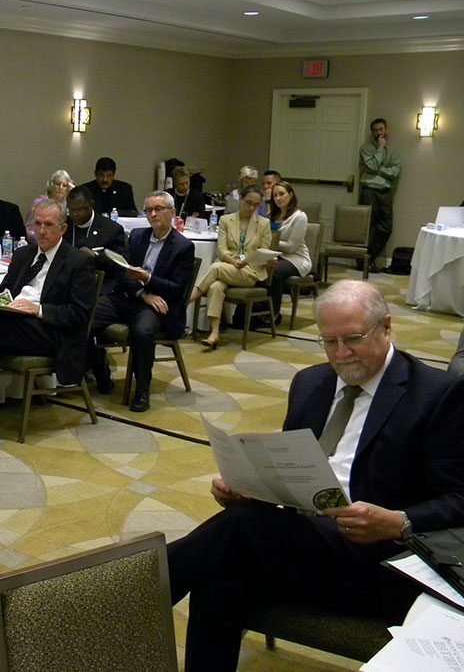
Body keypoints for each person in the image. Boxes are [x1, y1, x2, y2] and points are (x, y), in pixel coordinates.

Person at [168, 280, 464, 671]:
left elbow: (458, 498)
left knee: (241, 528)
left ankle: (124, 594)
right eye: (329, 341)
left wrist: (399, 522)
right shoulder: (310, 383)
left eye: (353, 339)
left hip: (382, 559)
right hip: (303, 543)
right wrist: (251, 487)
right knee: (222, 575)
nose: (341, 354)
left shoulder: (437, 394)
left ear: (387, 327)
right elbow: (291, 470)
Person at [0, 199, 94, 456]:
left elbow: (80, 315)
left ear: (63, 229)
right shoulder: (24, 254)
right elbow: (5, 293)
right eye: (38, 224)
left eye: (49, 225)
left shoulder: (78, 261)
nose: (42, 231)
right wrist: (4, 304)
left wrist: (40, 309)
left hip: (50, 333)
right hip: (14, 325)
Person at [89, 192, 194, 410]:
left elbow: (177, 290)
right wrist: (143, 293)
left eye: (159, 209)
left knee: (143, 332)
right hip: (131, 297)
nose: (153, 214)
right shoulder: (137, 236)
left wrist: (148, 279)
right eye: (148, 210)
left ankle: (142, 391)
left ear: (172, 213)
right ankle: (101, 372)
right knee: (83, 316)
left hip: (160, 305)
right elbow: (121, 273)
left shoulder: (183, 246)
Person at [188, 186, 271, 349]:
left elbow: (264, 250)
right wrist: (233, 262)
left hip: (250, 271)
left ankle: (187, 300)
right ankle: (215, 333)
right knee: (216, 286)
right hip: (229, 267)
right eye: (248, 203)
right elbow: (221, 249)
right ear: (240, 200)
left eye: (256, 204)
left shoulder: (263, 223)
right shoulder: (226, 220)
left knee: (216, 268)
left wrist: (247, 261)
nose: (251, 207)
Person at [63, 185, 127, 294]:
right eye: (71, 210)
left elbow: (119, 263)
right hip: (66, 283)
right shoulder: (64, 225)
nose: (75, 214)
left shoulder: (111, 229)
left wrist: (95, 256)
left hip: (97, 286)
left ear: (91, 205)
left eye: (80, 209)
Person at [265, 181, 310, 325]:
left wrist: (270, 240)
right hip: (273, 255)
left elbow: (291, 247)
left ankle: (274, 314)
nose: (278, 198)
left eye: (282, 194)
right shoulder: (271, 214)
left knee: (275, 271)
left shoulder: (299, 217)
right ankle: (254, 311)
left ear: (290, 195)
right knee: (253, 267)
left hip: (296, 259)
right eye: (275, 195)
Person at [359, 118, 401, 271]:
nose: (378, 133)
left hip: (385, 193)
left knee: (386, 228)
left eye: (381, 129)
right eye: (375, 130)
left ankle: (367, 258)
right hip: (369, 191)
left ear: (386, 130)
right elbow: (371, 164)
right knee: (366, 227)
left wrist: (377, 169)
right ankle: (362, 262)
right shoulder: (366, 149)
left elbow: (394, 173)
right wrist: (380, 149)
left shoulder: (393, 153)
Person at [25, 169, 72, 243]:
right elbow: (30, 230)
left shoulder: (70, 203)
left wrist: (73, 190)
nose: (60, 187)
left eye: (64, 185)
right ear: (51, 185)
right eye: (57, 184)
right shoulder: (39, 202)